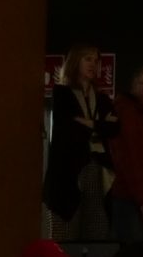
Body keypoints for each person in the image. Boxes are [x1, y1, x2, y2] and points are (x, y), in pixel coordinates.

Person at [44, 45, 116, 234]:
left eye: (96, 60)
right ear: (76, 61)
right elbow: (68, 128)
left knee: (96, 229)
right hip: (67, 171)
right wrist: (98, 125)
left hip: (95, 166)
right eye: (88, 59)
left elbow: (114, 128)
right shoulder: (62, 93)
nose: (93, 64)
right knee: (65, 231)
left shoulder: (101, 98)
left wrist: (87, 122)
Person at [107, 61, 143, 234]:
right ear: (136, 85)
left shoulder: (138, 113)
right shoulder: (129, 113)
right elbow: (130, 160)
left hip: (134, 198)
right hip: (130, 199)